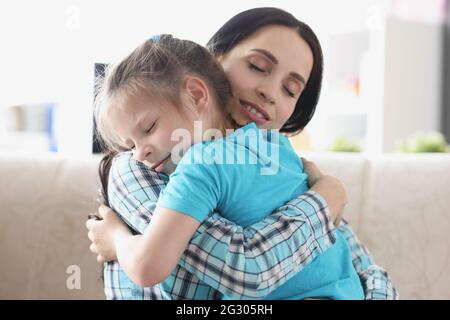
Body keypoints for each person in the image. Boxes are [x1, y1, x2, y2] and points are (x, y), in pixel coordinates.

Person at [87, 7, 398, 300]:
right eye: (257, 67)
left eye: (290, 90)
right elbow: (249, 270)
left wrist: (117, 240)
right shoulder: (143, 167)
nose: (270, 92)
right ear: (216, 59)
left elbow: (367, 271)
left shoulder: (280, 158)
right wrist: (325, 200)